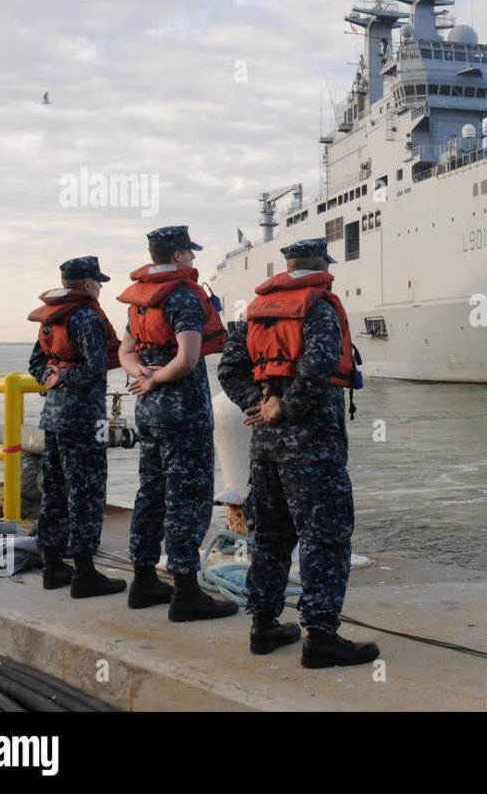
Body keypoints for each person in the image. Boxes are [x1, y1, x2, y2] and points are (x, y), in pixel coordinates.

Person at [217, 238, 378, 667]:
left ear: (289, 267)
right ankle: (321, 637)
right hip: (312, 446)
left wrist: (258, 403)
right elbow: (320, 365)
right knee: (325, 537)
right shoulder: (319, 308)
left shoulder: (255, 312)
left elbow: (228, 368)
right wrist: (285, 408)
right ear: (321, 264)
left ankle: (264, 626)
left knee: (271, 537)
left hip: (265, 447)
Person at [117, 226, 236, 621]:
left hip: (148, 412)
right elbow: (187, 359)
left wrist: (140, 375)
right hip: (182, 412)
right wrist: (156, 377)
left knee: (151, 492)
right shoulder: (183, 296)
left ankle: (143, 580)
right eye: (192, 253)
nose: (195, 261)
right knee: (188, 497)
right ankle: (186, 592)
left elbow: (125, 350)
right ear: (181, 255)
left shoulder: (141, 299)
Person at [27, 256, 126, 598]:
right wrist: (66, 377)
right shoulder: (85, 316)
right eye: (98, 282)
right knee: (87, 491)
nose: (100, 288)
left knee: (55, 489)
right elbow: (97, 369)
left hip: (52, 417)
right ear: (87, 285)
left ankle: (53, 565)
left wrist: (52, 380)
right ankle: (85, 573)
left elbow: (35, 363)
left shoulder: (52, 318)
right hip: (83, 419)